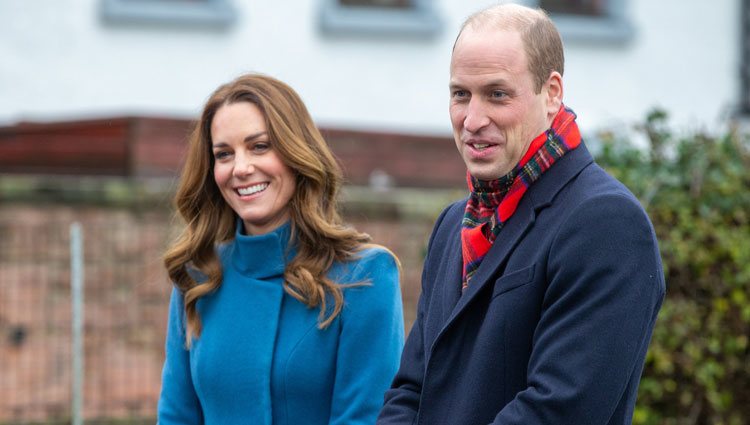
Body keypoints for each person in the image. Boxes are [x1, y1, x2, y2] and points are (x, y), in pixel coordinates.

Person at [378, 4, 665, 425]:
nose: (472, 119)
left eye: (497, 94)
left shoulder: (607, 222)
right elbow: (410, 392)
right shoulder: (454, 225)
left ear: (551, 94)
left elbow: (558, 410)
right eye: (461, 94)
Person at [157, 73, 404, 425]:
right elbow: (176, 417)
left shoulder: (365, 274)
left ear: (295, 153)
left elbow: (363, 418)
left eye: (259, 146)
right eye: (224, 154)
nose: (240, 168)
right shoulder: (198, 278)